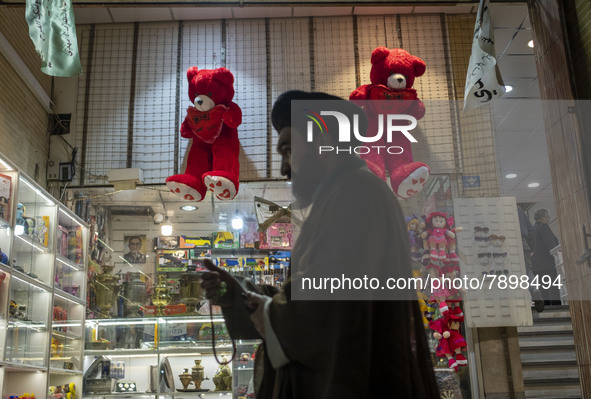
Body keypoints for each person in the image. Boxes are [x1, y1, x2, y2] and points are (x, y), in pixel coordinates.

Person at [202, 91, 439, 399]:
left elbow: (330, 311)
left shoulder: (356, 194)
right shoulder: (343, 195)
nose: (284, 167)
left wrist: (269, 311)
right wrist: (239, 294)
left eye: (288, 149)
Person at [532, 208, 561, 306]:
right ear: (542, 217)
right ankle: (557, 308)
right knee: (553, 288)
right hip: (547, 264)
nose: (549, 219)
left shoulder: (532, 229)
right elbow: (551, 245)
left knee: (543, 289)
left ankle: (547, 309)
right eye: (548, 217)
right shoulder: (544, 227)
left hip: (536, 266)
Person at [517, 205, 543, 312]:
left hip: (506, 245)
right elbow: (531, 231)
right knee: (528, 271)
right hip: (524, 244)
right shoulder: (518, 209)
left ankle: (521, 304)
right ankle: (534, 289)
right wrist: (531, 247)